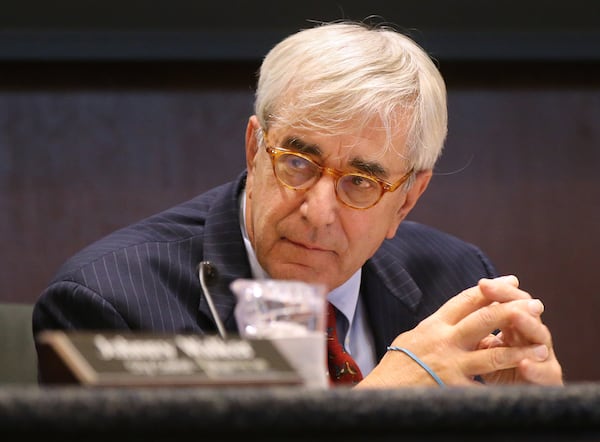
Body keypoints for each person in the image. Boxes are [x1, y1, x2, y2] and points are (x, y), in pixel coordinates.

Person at [32, 20, 563, 387]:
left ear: (406, 200)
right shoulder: (112, 305)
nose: (317, 210)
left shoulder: (458, 282)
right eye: (298, 163)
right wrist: (380, 403)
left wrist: (531, 419)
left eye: (360, 182)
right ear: (254, 149)